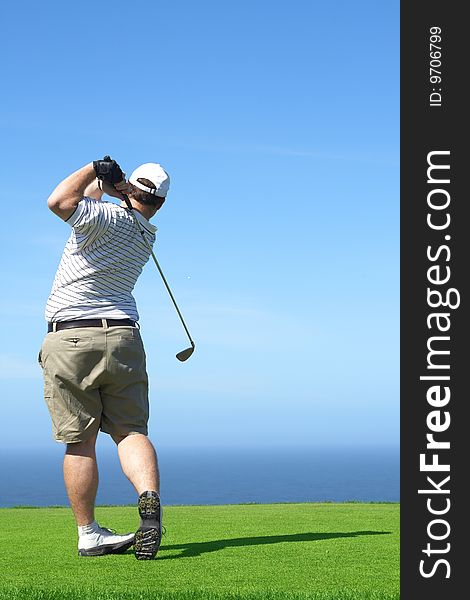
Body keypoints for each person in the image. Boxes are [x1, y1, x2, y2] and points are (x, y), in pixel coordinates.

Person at [38, 156, 169, 559]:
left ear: (133, 189)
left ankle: (89, 533)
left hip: (73, 336)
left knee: (80, 441)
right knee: (130, 432)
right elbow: (97, 201)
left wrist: (94, 168)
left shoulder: (103, 218)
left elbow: (59, 201)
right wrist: (115, 187)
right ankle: (148, 501)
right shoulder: (146, 231)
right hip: (125, 337)